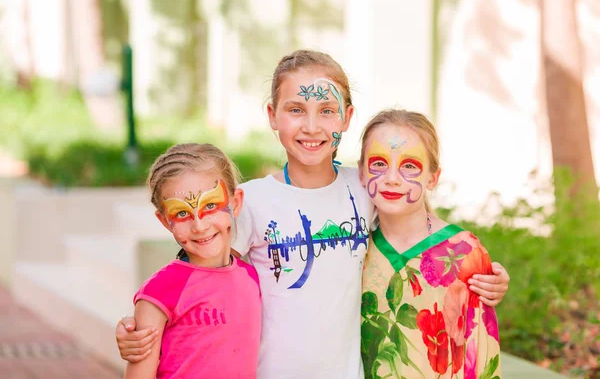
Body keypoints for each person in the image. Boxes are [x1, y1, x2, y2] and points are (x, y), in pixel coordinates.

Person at [115, 50, 509, 379]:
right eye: (295, 109)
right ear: (272, 116)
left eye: (326, 110)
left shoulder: (368, 185)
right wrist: (145, 327)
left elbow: (416, 227)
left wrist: (484, 272)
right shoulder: (249, 201)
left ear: (347, 119)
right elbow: (196, 265)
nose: (311, 126)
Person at [359, 109, 502, 378]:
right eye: (378, 163)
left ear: (433, 178)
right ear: (361, 172)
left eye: (410, 166)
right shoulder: (354, 248)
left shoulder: (464, 253)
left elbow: (480, 356)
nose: (392, 178)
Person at [123, 143, 261, 379]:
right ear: (166, 221)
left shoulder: (252, 276)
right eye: (182, 213)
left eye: (210, 206)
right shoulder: (159, 293)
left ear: (235, 202)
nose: (199, 226)